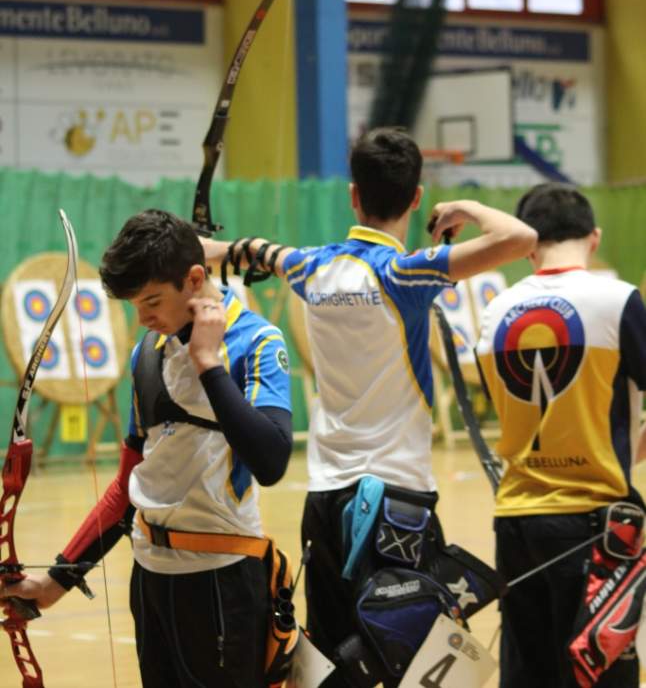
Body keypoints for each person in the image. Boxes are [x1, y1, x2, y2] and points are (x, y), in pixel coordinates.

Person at [202, 127, 537, 685]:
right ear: (416, 198)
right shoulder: (404, 272)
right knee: (414, 659)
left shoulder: (311, 267)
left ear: (353, 195)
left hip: (328, 500)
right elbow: (522, 238)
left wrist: (214, 251)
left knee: (334, 661)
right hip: (396, 502)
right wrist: (469, 207)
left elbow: (254, 250)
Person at [0, 209, 293, 688]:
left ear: (195, 279)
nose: (144, 318)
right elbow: (128, 488)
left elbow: (272, 460)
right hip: (151, 579)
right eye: (135, 305)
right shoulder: (147, 355)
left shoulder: (255, 341)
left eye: (153, 300)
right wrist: (55, 583)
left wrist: (207, 364)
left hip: (221, 580)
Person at [475, 183, 646, 688]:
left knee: (530, 676)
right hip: (596, 524)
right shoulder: (618, 300)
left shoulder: (494, 310)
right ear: (594, 238)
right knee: (601, 675)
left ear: (529, 245)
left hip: (517, 523)